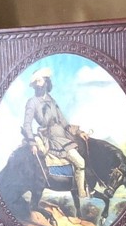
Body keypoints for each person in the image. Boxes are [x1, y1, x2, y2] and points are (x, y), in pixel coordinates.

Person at [22, 67, 89, 198]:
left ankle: (81, 191)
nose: (38, 85)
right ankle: (79, 192)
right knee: (79, 162)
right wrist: (32, 143)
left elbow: (63, 122)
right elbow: (27, 124)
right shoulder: (32, 102)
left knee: (82, 159)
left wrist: (79, 132)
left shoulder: (52, 101)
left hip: (62, 137)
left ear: (46, 82)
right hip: (48, 138)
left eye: (40, 81)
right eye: (35, 82)